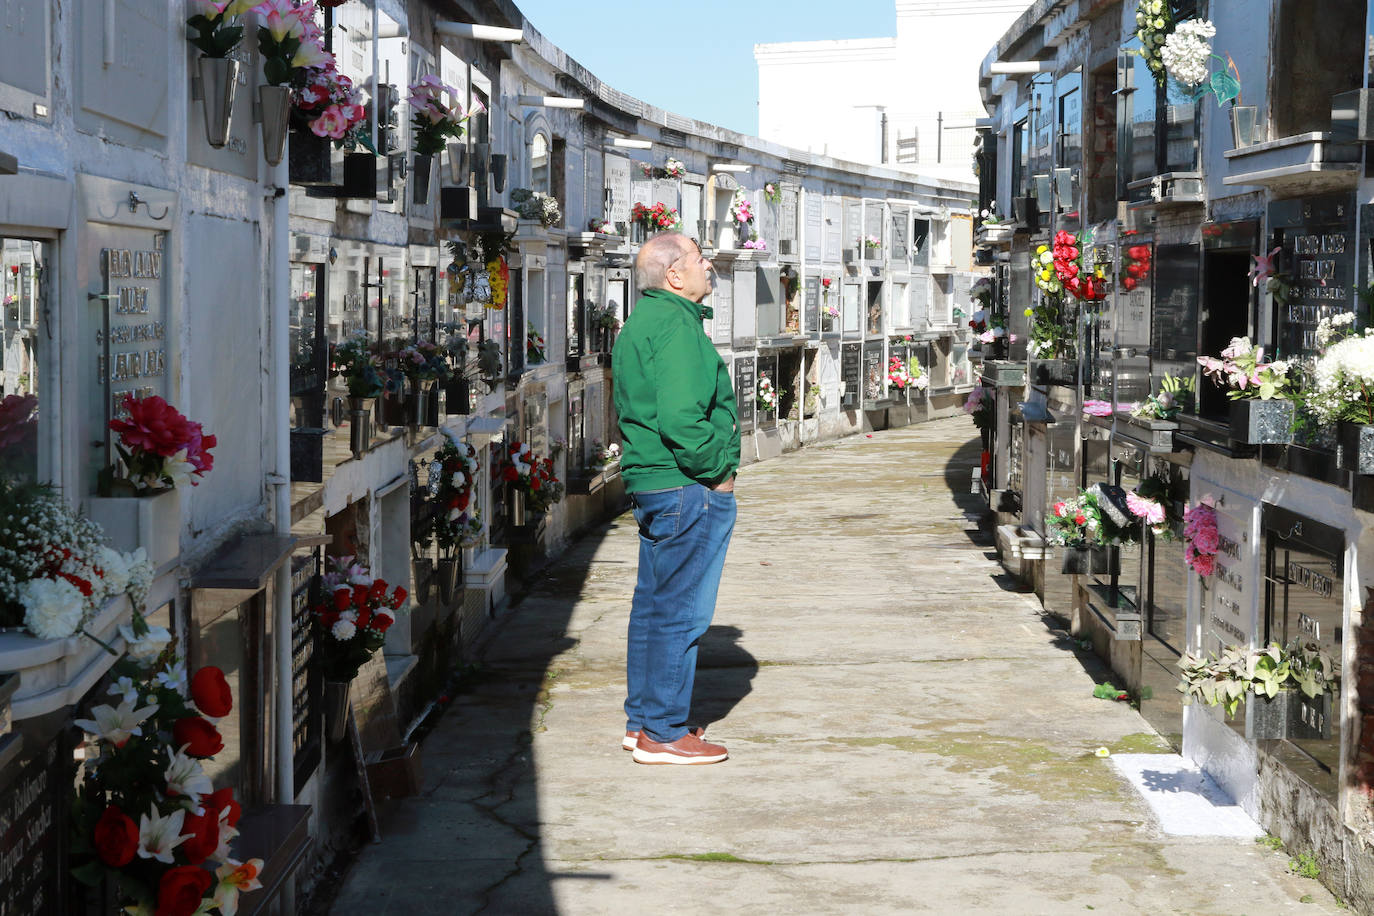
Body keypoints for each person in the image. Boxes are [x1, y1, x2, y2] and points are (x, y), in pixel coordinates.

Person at [612, 232, 740, 765]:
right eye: (698, 257)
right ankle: (664, 733)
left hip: (652, 483)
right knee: (682, 612)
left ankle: (643, 721)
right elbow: (682, 419)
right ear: (673, 275)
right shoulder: (677, 327)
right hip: (687, 485)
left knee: (653, 606)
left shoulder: (641, 321)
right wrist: (718, 473)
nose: (708, 264)